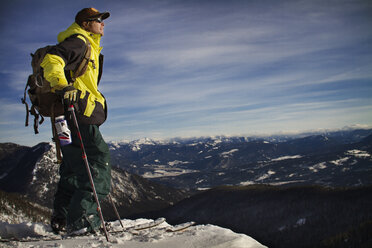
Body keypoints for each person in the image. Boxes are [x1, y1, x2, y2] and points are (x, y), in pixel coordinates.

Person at [40, 7, 111, 234]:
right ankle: (82, 222)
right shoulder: (80, 42)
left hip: (64, 116)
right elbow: (52, 59)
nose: (103, 24)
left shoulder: (85, 43)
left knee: (72, 167)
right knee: (98, 162)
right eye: (98, 20)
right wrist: (62, 85)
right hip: (79, 112)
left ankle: (61, 218)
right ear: (86, 23)